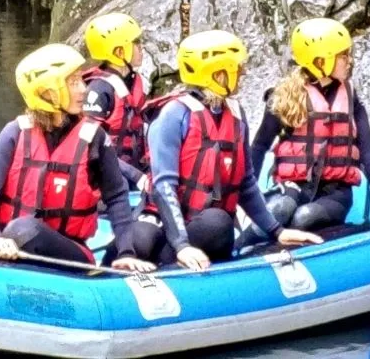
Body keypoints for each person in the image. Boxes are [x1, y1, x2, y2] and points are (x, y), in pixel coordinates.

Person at [0, 42, 154, 272]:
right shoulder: (14, 133)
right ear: (48, 93)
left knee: (24, 230)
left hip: (69, 251)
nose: (84, 89)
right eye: (73, 82)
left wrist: (126, 251)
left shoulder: (94, 138)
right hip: (8, 240)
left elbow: (116, 197)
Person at [128, 28, 321, 270]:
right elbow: (163, 186)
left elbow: (246, 182)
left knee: (218, 222)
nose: (243, 72)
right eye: (236, 68)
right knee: (142, 239)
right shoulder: (174, 115)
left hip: (208, 227)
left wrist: (276, 230)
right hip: (171, 226)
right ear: (217, 74)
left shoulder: (237, 115)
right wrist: (182, 245)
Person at [250, 17, 370, 234]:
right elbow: (259, 148)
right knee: (280, 209)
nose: (349, 61)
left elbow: (368, 155)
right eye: (343, 56)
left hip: (336, 195)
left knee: (303, 217)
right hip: (293, 187)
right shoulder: (283, 97)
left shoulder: (351, 98)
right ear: (320, 61)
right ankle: (236, 254)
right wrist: (248, 201)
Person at [82, 12, 150, 188]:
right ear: (120, 52)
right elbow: (88, 149)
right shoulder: (98, 90)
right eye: (136, 43)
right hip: (109, 179)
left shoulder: (134, 82)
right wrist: (136, 176)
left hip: (137, 171)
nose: (141, 47)